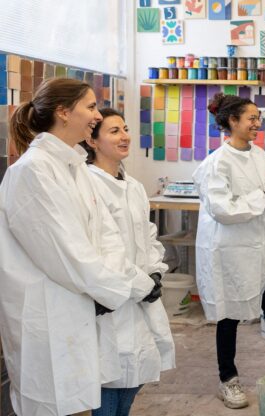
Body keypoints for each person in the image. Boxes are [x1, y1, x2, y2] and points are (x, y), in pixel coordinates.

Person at [0, 79, 156, 416]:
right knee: (50, 403)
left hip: (80, 306)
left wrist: (133, 283)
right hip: (49, 311)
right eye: (90, 107)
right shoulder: (31, 171)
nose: (96, 116)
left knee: (80, 400)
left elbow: (106, 237)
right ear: (63, 112)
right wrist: (122, 288)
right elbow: (66, 251)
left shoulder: (74, 169)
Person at [193, 93, 265, 409]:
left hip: (264, 249)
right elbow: (222, 209)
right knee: (229, 317)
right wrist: (264, 196)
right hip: (233, 253)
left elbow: (263, 199)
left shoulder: (261, 157)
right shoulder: (216, 163)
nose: (257, 123)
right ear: (232, 122)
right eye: (251, 118)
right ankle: (228, 380)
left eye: (258, 117)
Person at [83, 108, 176, 416]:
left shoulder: (133, 186)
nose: (124, 136)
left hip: (139, 297)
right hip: (109, 300)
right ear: (92, 140)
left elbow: (148, 236)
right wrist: (139, 284)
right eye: (113, 131)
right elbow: (98, 249)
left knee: (133, 374)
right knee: (108, 378)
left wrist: (155, 272)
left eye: (125, 129)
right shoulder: (86, 184)